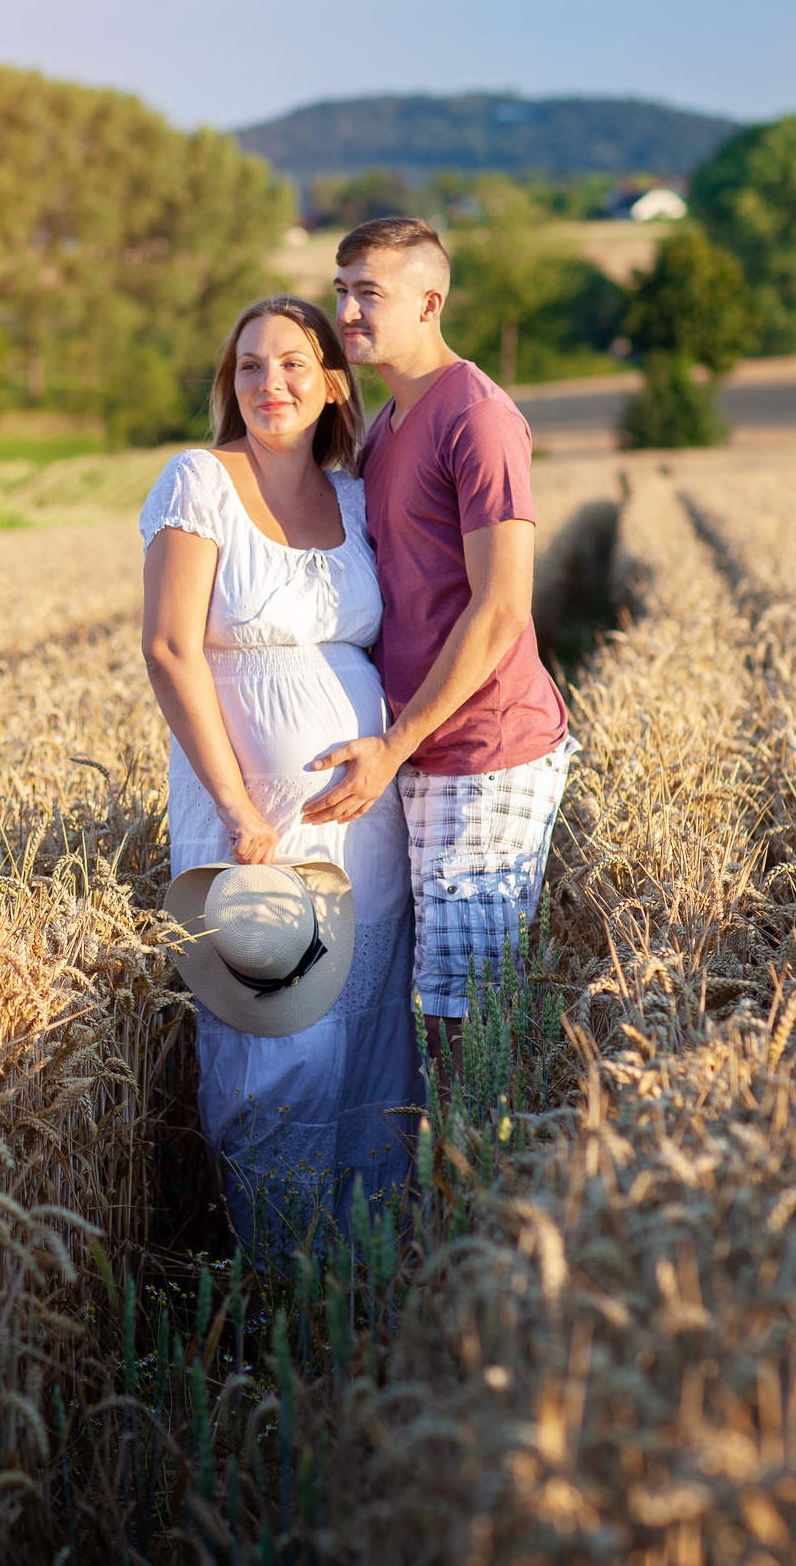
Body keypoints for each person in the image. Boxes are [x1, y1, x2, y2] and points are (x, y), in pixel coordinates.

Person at [139, 296, 423, 1245]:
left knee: (374, 1034)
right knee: (279, 1042)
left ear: (332, 383)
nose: (272, 384)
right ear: (230, 384)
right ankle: (279, 1280)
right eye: (250, 367)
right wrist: (235, 806)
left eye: (295, 364)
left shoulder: (352, 497)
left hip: (361, 818)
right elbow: (172, 650)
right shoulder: (198, 482)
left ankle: (364, 1281)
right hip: (252, 813)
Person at [303, 217, 577, 1087]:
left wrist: (397, 740)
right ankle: (439, 1202)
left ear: (431, 301)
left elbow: (500, 609)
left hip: (484, 752)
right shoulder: (385, 426)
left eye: (368, 293)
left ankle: (476, 1210)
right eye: (341, 289)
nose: (346, 309)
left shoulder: (479, 417)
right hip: (421, 752)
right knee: (426, 1009)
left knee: (462, 1023)